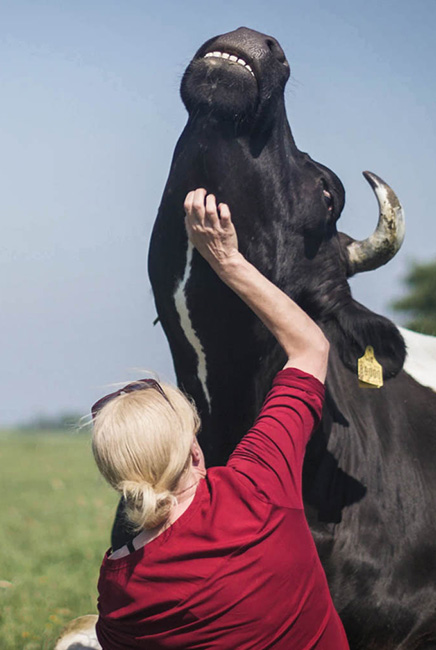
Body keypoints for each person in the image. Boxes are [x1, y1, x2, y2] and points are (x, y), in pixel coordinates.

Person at [89, 189, 349, 649]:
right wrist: (228, 262)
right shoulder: (257, 488)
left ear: (118, 478)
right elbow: (311, 349)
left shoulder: (118, 586)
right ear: (194, 450)